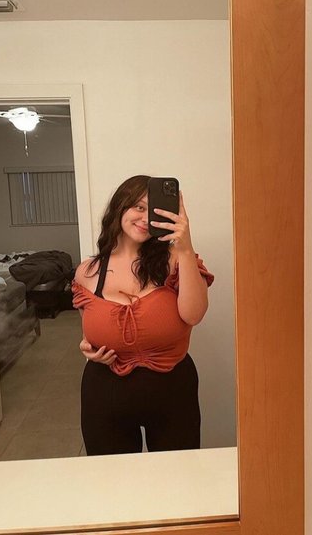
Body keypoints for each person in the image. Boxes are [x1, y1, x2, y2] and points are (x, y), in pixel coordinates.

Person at [72, 175, 214, 455]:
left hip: (172, 390)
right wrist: (87, 348)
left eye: (154, 210)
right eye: (138, 207)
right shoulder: (87, 272)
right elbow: (89, 331)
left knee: (177, 475)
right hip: (105, 393)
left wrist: (185, 247)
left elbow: (194, 315)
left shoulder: (176, 260)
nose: (145, 218)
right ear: (119, 207)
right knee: (112, 477)